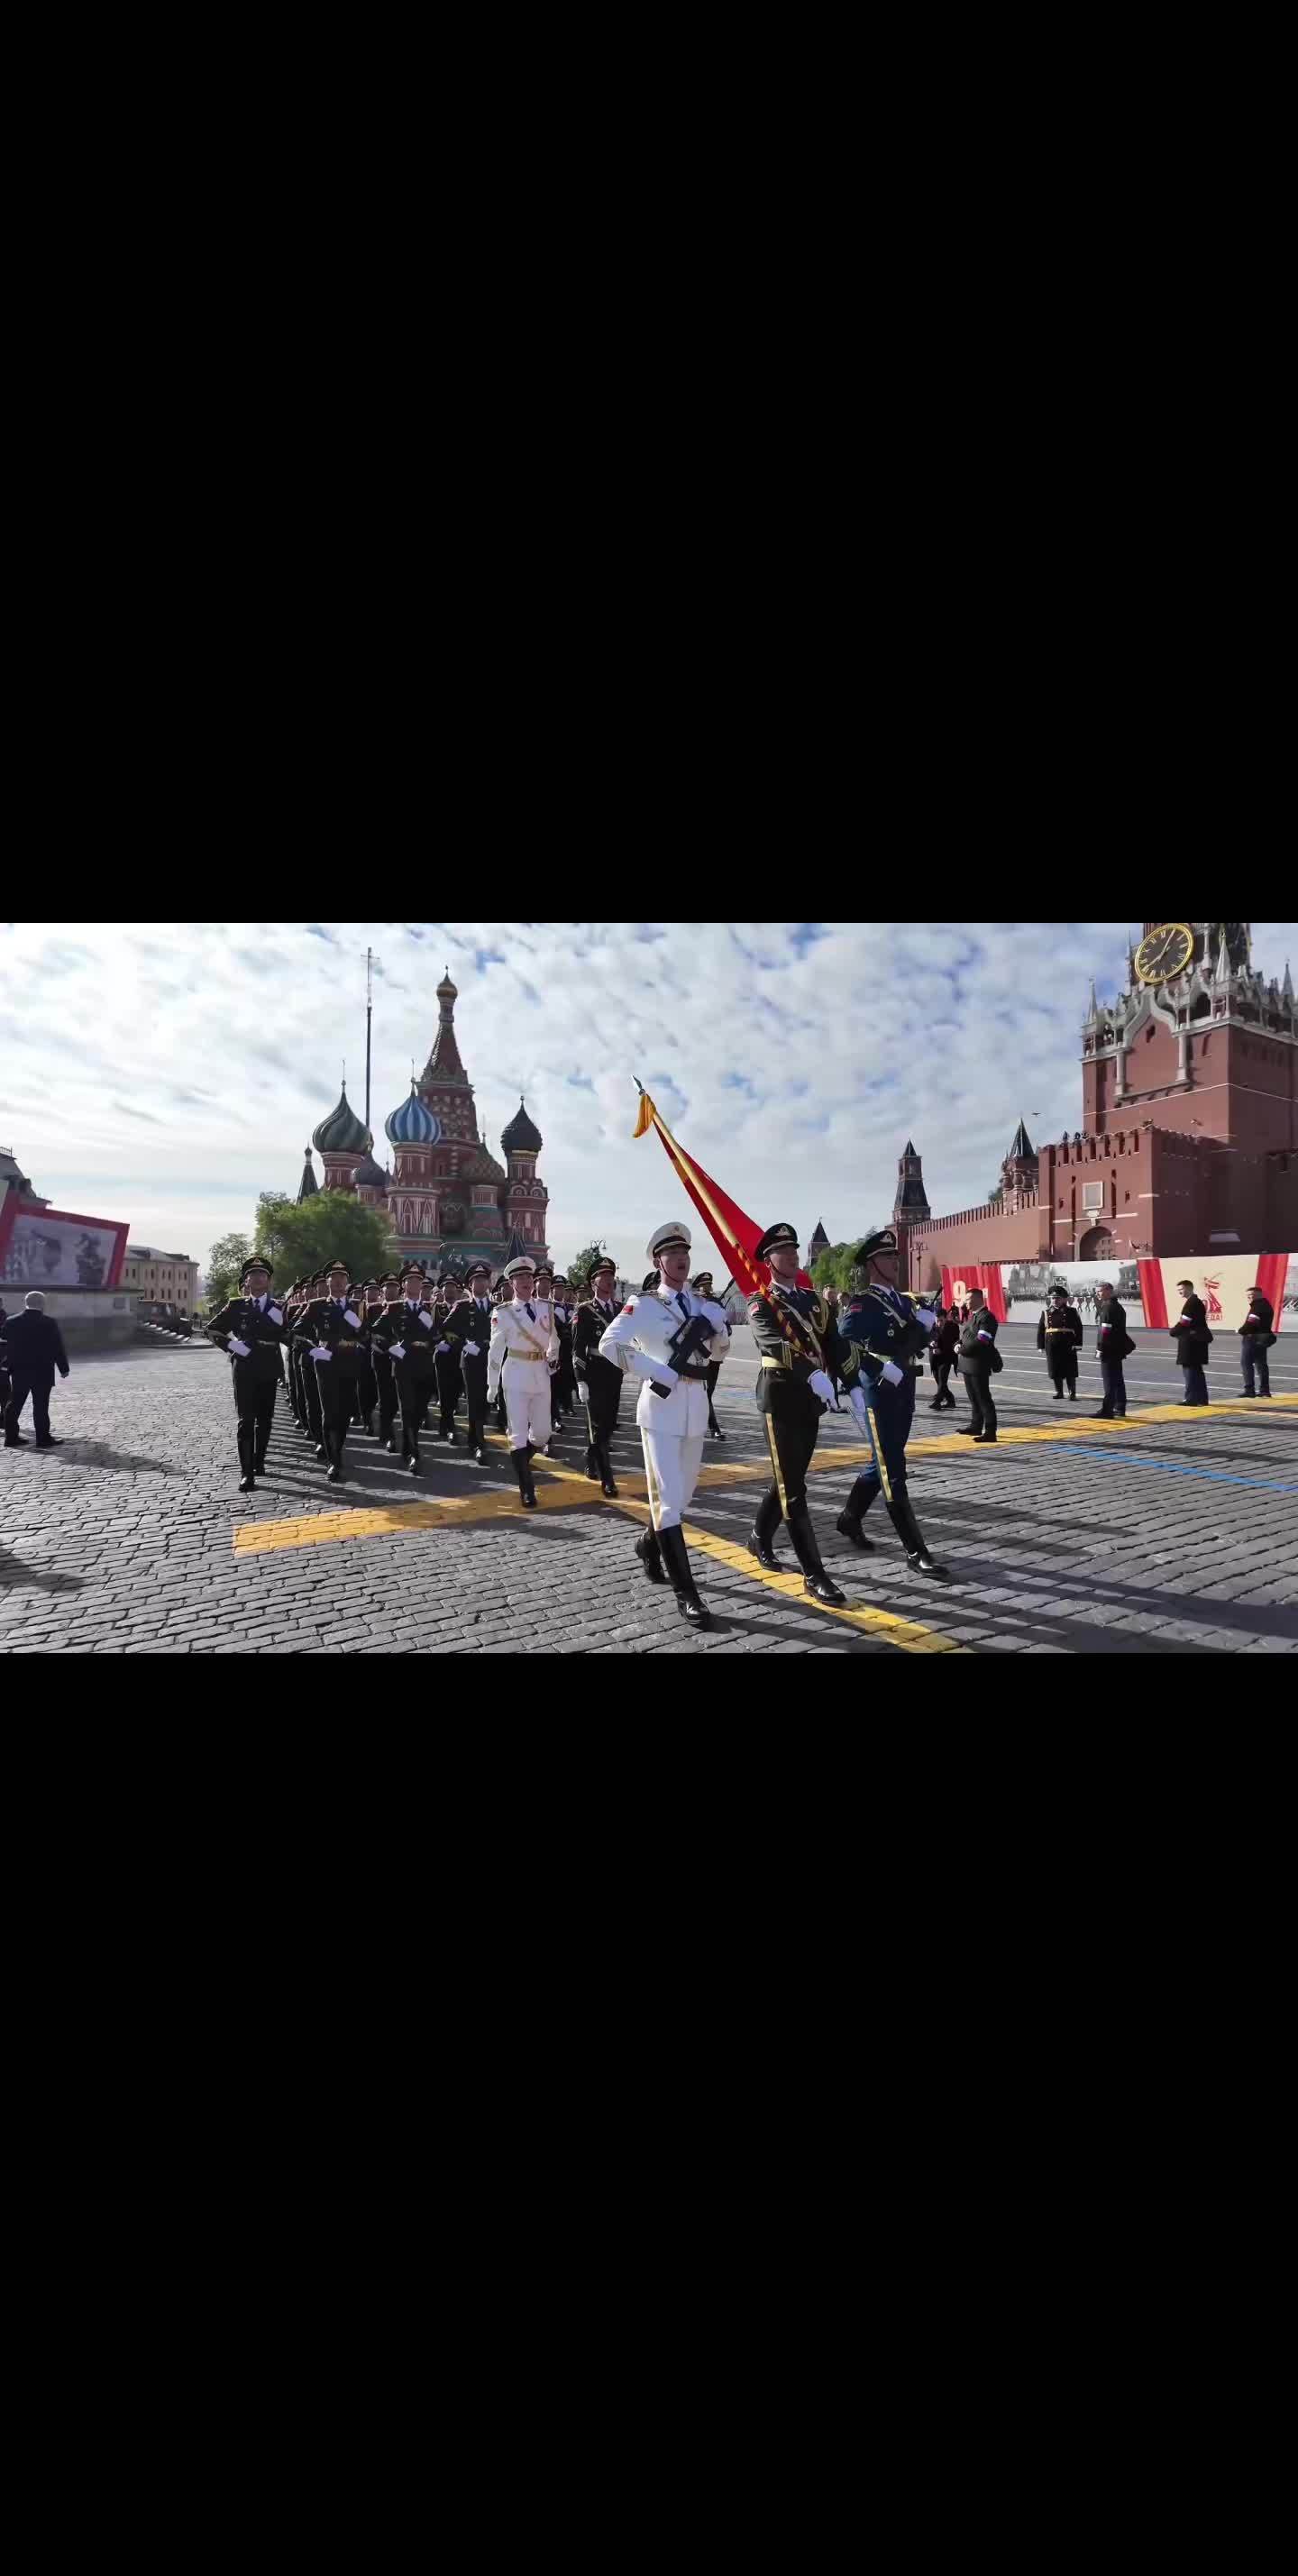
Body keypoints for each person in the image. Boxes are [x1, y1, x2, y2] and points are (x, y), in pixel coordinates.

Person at [598, 1222, 729, 1622]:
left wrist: (719, 1327)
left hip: (695, 1406)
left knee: (684, 1496)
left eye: (685, 1253)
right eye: (672, 1254)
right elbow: (608, 1344)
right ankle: (687, 1594)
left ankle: (647, 1545)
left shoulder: (700, 1304)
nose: (681, 1259)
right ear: (659, 1261)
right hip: (660, 1410)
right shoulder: (645, 1304)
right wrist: (655, 1370)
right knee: (668, 1503)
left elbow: (717, 1355)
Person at [835, 1230, 948, 1576]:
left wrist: (927, 1327)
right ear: (872, 1265)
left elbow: (910, 1339)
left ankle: (850, 1518)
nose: (895, 1262)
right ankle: (915, 1550)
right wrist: (872, 1369)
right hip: (879, 1387)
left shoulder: (903, 1300)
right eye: (887, 1258)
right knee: (892, 1467)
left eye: (895, 1257)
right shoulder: (862, 1303)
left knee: (883, 1458)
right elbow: (842, 1343)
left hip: (905, 1386)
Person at [745, 1224, 846, 1603]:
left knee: (789, 1478)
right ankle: (813, 1573)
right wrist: (812, 1373)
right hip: (781, 1398)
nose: (791, 1255)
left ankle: (757, 1537)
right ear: (768, 1260)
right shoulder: (760, 1302)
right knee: (794, 1488)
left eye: (794, 1249)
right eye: (782, 1250)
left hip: (811, 1399)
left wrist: (849, 1379)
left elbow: (833, 1342)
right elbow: (772, 1341)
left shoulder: (813, 1301)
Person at [206, 1256, 288, 1491]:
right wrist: (233, 1346)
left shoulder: (280, 1307)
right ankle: (246, 1472)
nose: (258, 1277)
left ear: (269, 1281)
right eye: (252, 1274)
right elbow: (212, 1329)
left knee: (264, 1419)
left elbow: (288, 1334)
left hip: (269, 1364)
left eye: (262, 1274)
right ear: (246, 1281)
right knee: (245, 1420)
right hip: (244, 1366)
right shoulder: (235, 1306)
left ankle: (259, 1460)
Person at [488, 1254, 560, 1510]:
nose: (527, 1281)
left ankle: (520, 1460)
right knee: (518, 1434)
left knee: (542, 1433)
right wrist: (492, 1383)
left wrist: (553, 1356)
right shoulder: (503, 1312)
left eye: (529, 1276)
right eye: (520, 1277)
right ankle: (526, 1488)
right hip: (516, 1373)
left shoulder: (546, 1307)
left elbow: (555, 1339)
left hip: (541, 1373)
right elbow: (495, 1350)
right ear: (512, 1283)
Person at [299, 1259, 368, 1482]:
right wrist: (313, 1350)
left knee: (346, 1412)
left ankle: (338, 1447)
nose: (338, 1282)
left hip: (350, 1363)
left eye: (343, 1278)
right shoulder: (318, 1306)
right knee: (329, 1411)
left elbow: (366, 1335)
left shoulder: (357, 1305)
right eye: (334, 1278)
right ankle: (334, 1460)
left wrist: (357, 1325)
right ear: (327, 1282)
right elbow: (296, 1332)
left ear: (347, 1282)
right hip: (326, 1363)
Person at [373, 1261, 439, 1473]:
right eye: (410, 1280)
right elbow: (376, 1333)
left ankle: (408, 1447)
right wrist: (392, 1348)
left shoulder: (429, 1308)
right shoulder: (393, 1308)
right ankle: (413, 1452)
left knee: (420, 1411)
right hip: (403, 1366)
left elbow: (437, 1335)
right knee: (408, 1409)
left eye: (418, 1280)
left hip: (424, 1365)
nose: (415, 1284)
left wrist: (434, 1343)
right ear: (403, 1285)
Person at [571, 1255, 623, 1496]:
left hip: (615, 1371)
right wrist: (580, 1379)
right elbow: (578, 1347)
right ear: (594, 1283)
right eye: (604, 1276)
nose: (609, 1280)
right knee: (598, 1424)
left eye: (611, 1276)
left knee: (609, 1424)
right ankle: (608, 1478)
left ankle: (590, 1455)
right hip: (594, 1372)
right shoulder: (585, 1311)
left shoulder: (622, 1310)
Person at [438, 1260, 494, 1464]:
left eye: (483, 1280)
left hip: (492, 1360)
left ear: (489, 1283)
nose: (480, 1283)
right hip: (470, 1360)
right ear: (470, 1285)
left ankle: (479, 1435)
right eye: (476, 1280)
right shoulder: (462, 1306)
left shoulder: (497, 1307)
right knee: (474, 1400)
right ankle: (477, 1442)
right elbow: (446, 1329)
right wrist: (463, 1344)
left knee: (487, 1401)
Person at [2, 1290, 71, 1448]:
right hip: (43, 1371)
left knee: (14, 1404)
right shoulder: (49, 1322)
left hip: (19, 1371)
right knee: (40, 1406)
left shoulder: (11, 1321)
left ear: (26, 1303)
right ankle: (43, 1439)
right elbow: (57, 1347)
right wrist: (63, 1368)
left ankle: (11, 1438)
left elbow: (4, 1345)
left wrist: (6, 1365)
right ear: (42, 1304)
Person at [957, 1292, 999, 1442]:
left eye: (968, 1299)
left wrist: (961, 1349)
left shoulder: (987, 1317)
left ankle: (990, 1431)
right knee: (973, 1397)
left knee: (983, 1398)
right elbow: (965, 1336)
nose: (965, 1302)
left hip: (978, 1363)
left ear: (977, 1299)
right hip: (968, 1363)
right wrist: (957, 1344)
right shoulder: (973, 1316)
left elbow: (982, 1340)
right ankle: (975, 1425)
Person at [690, 1270, 727, 1437]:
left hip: (714, 1355)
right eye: (703, 1286)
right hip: (697, 1354)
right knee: (701, 1392)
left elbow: (728, 1329)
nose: (707, 1289)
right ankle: (713, 1427)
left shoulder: (716, 1304)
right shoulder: (693, 1304)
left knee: (708, 1391)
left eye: (709, 1285)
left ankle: (711, 1427)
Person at [431, 1270, 464, 1443]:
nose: (449, 1290)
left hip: (460, 1355)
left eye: (452, 1287)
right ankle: (447, 1424)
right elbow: (431, 1328)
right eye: (446, 1287)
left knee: (456, 1390)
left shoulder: (463, 1307)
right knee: (444, 1391)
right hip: (443, 1355)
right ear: (442, 1290)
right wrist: (438, 1341)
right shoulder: (435, 1308)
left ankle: (447, 1421)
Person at [371, 1271, 403, 1449]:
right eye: (387, 1287)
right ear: (382, 1290)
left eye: (394, 1287)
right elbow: (371, 1333)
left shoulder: (402, 1307)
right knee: (385, 1396)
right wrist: (389, 1346)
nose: (391, 1291)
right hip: (381, 1357)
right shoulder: (373, 1308)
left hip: (400, 1359)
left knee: (395, 1398)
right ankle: (387, 1432)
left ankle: (390, 1428)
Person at [1092, 1281, 1131, 1418]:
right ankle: (1120, 1407)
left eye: (1100, 1291)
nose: (1097, 1293)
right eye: (1096, 1291)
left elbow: (1105, 1330)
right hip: (1117, 1348)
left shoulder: (1108, 1307)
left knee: (1109, 1380)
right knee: (1118, 1379)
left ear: (1109, 1291)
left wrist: (1100, 1348)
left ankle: (1107, 1410)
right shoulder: (1116, 1305)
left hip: (1108, 1349)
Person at [1037, 1284, 1083, 1399]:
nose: (1055, 1300)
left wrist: (1078, 1343)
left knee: (1070, 1369)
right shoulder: (1046, 1312)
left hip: (1068, 1343)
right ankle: (1059, 1392)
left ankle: (1072, 1393)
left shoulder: (1072, 1311)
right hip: (1052, 1344)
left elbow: (1078, 1328)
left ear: (1064, 1299)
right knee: (1054, 1368)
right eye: (1053, 1298)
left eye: (1057, 1298)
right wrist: (1040, 1345)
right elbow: (1041, 1329)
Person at [1173, 1279, 1211, 1406]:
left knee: (1190, 1370)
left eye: (1181, 1289)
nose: (1180, 1292)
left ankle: (1191, 1398)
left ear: (1189, 1288)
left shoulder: (1191, 1303)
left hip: (1191, 1343)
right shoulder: (1196, 1302)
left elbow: (1185, 1322)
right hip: (1197, 1341)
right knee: (1197, 1370)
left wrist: (1173, 1331)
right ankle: (1202, 1398)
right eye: (1178, 1290)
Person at [1239, 1283, 1275, 1397]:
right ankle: (1265, 1390)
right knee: (1261, 1364)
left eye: (1252, 1295)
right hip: (1263, 1338)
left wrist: (1241, 1330)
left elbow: (1251, 1323)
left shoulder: (1257, 1306)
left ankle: (1249, 1390)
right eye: (1248, 1296)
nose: (1249, 1298)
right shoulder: (1267, 1305)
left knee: (1246, 1363)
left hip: (1252, 1338)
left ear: (1259, 1295)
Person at [928, 1302, 960, 1409]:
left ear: (946, 1318)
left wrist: (941, 1350)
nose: (939, 1323)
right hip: (935, 1358)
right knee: (939, 1381)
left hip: (947, 1357)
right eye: (937, 1321)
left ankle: (937, 1402)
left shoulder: (953, 1327)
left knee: (942, 1379)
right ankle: (951, 1400)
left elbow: (954, 1342)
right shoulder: (932, 1326)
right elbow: (927, 1338)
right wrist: (931, 1344)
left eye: (941, 1320)